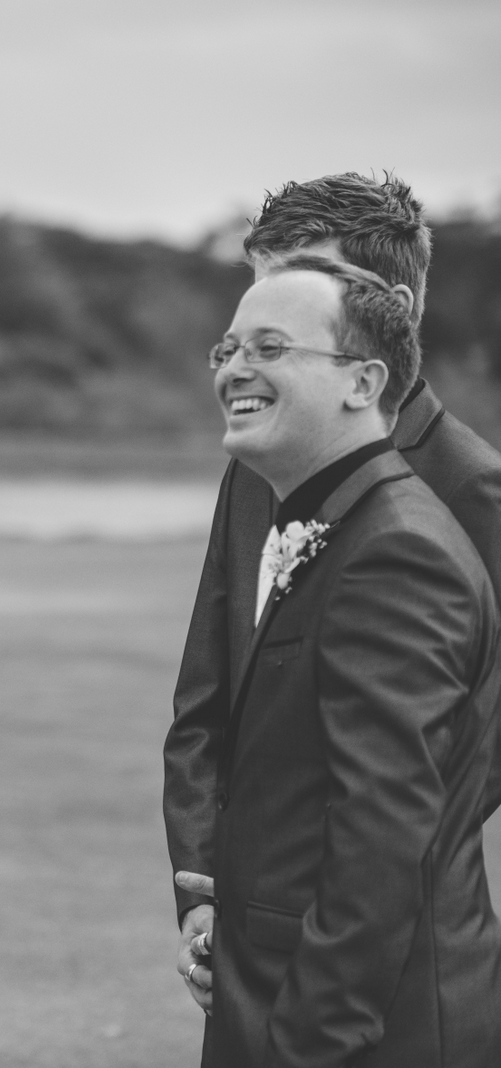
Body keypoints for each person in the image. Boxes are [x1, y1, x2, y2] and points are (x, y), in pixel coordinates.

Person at [163, 173, 501, 1015]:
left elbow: (466, 746)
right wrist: (203, 887)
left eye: (303, 280)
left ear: (391, 310)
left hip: (375, 932)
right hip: (244, 919)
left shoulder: (471, 485)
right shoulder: (257, 463)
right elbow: (210, 691)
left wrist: (327, 885)